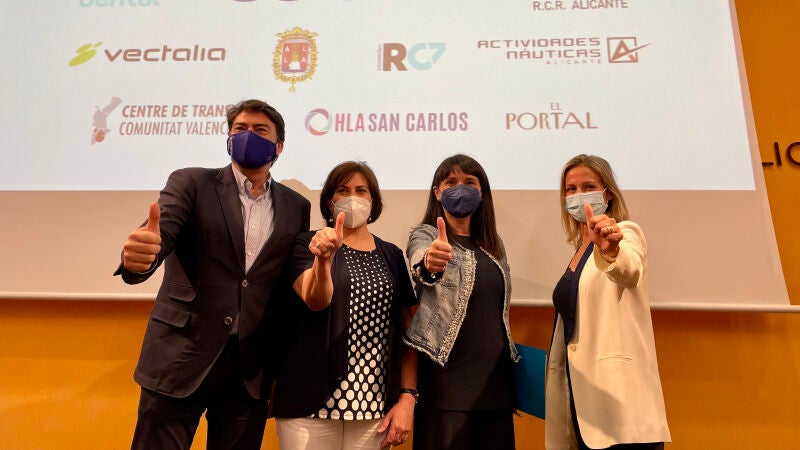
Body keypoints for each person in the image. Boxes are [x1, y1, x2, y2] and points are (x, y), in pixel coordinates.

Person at [114, 99, 311, 450]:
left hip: (249, 369)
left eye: (260, 130)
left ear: (279, 146)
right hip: (181, 355)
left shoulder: (297, 206)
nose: (248, 135)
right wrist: (141, 258)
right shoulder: (192, 182)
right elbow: (161, 233)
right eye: (240, 129)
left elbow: (284, 288)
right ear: (228, 138)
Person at [270, 161, 419, 449]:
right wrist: (323, 260)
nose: (353, 197)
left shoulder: (391, 255)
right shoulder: (308, 244)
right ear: (330, 200)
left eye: (361, 190)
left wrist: (407, 397)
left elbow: (408, 333)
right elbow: (316, 300)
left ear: (372, 201)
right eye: (343, 190)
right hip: (308, 404)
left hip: (374, 406)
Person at [545, 154, 671, 450]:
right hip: (582, 399)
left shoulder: (626, 233)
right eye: (571, 189)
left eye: (588, 186)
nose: (579, 195)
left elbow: (629, 271)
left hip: (620, 404)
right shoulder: (579, 250)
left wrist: (611, 251)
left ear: (608, 193)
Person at [403, 154, 519, 450]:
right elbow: (422, 262)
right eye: (451, 182)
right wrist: (431, 262)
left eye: (470, 182)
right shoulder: (426, 235)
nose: (460, 188)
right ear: (437, 192)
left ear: (481, 193)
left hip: (495, 389)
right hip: (446, 389)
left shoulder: (494, 244)